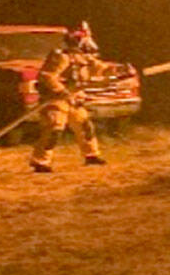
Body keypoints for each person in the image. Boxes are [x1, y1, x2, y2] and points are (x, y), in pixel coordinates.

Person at [29, 22, 111, 173]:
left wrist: (121, 70)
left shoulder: (84, 58)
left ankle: (91, 155)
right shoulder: (60, 57)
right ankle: (40, 161)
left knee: (85, 126)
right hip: (56, 100)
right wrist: (61, 90)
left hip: (74, 99)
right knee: (54, 129)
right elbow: (47, 76)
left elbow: (101, 68)